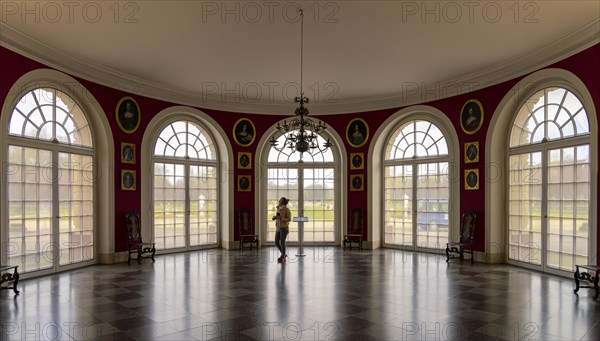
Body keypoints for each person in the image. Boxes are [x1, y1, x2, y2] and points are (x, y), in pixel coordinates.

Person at [273, 197, 291, 263]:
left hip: (284, 228)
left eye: (280, 200)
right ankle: (283, 254)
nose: (279, 200)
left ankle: (283, 255)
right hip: (278, 228)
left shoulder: (287, 210)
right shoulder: (278, 208)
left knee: (282, 242)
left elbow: (289, 219)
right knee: (276, 242)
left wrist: (281, 218)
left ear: (282, 202)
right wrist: (275, 217)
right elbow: (277, 216)